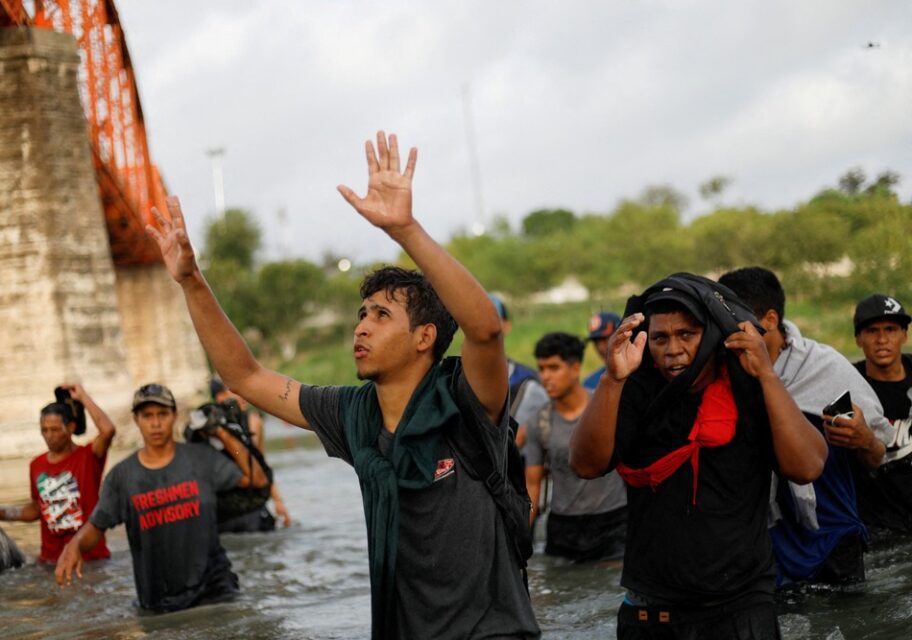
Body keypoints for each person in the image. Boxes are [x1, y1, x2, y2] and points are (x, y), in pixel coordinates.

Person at [145, 132, 540, 639]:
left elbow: (484, 328)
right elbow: (244, 376)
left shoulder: (466, 399)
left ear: (425, 337)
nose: (361, 327)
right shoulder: (352, 413)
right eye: (361, 314)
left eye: (380, 315)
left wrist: (405, 228)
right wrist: (191, 281)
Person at [570, 273, 827, 640]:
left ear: (710, 336)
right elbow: (585, 464)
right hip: (651, 610)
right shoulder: (636, 393)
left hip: (741, 606)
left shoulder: (748, 389)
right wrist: (611, 380)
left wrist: (768, 376)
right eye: (660, 338)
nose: (673, 349)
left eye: (686, 335)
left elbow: (807, 467)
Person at [719, 267, 889, 587]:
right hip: (763, 545)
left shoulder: (824, 368)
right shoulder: (721, 377)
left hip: (833, 538)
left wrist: (865, 438)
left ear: (769, 319)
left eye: (733, 320)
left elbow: (877, 455)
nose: (726, 331)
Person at [54, 383, 269, 613]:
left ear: (174, 416)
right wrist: (75, 544)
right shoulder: (122, 477)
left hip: (215, 591)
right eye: (147, 416)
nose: (155, 423)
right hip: (159, 599)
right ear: (136, 420)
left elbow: (257, 480)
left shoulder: (203, 459)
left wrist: (223, 435)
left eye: (162, 414)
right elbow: (97, 526)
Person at [521, 332, 626, 561]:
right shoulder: (539, 422)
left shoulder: (606, 410)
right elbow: (532, 485)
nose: (546, 377)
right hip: (563, 529)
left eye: (554, 368)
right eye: (542, 368)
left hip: (612, 523)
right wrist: (520, 538)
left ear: (575, 368)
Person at [0, 384, 115, 563]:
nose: (49, 436)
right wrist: (3, 514)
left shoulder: (88, 457)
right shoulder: (36, 465)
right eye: (44, 430)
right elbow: (37, 508)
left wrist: (82, 396)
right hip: (51, 560)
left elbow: (108, 430)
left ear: (70, 428)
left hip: (90, 559)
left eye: (54, 429)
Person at [851, 293, 912, 534]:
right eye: (872, 331)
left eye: (891, 329)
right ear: (858, 339)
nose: (882, 339)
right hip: (877, 520)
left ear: (905, 335)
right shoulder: (847, 384)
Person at [209, 377, 291, 531]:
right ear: (220, 398)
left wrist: (278, 502)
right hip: (224, 509)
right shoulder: (209, 429)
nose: (243, 395)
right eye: (235, 391)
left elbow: (262, 463)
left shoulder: (254, 422)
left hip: (252, 504)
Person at [488, 293, 549, 448]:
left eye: (492, 320)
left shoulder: (529, 382)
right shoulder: (453, 378)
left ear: (506, 325)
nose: (484, 327)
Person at [583, 311, 621, 390]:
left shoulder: (646, 374)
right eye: (596, 342)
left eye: (605, 339)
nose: (600, 348)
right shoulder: (590, 384)